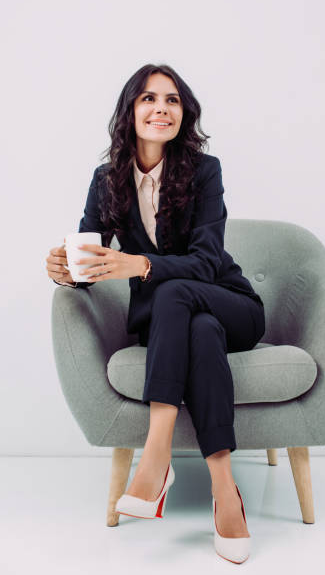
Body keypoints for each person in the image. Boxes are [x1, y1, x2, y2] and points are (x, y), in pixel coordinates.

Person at [46, 63, 265, 563]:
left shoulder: (205, 171)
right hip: (179, 325)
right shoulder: (107, 181)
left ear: (182, 114)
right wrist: (63, 268)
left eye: (171, 99)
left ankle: (157, 454)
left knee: (178, 295)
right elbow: (90, 258)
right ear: (130, 111)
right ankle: (225, 491)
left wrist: (140, 263)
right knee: (194, 324)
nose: (160, 108)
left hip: (232, 305)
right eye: (148, 98)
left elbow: (209, 262)